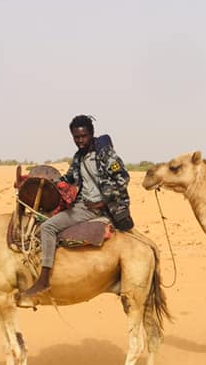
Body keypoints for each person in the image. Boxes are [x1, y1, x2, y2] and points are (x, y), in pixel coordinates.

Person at [20, 114, 133, 299]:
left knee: (48, 227)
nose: (80, 141)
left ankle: (43, 280)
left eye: (83, 136)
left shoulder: (105, 154)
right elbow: (68, 178)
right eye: (76, 137)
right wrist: (41, 182)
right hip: (83, 204)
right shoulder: (79, 157)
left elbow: (123, 178)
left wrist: (104, 201)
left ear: (91, 134)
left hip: (95, 208)